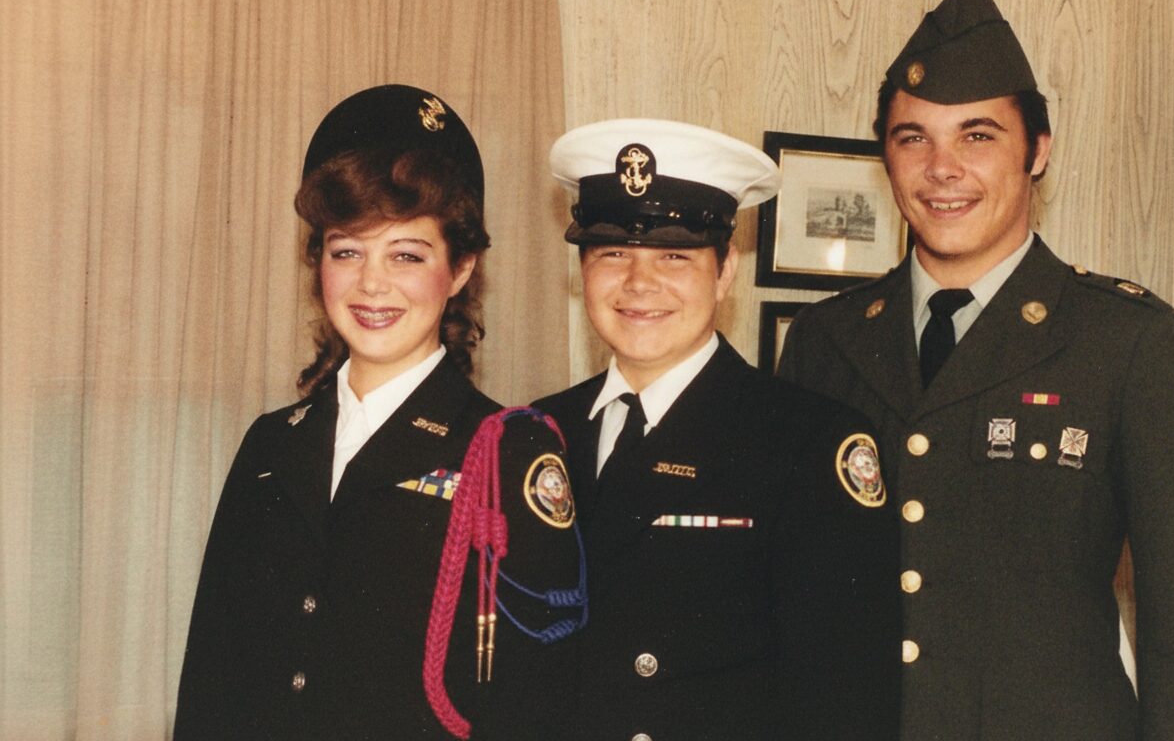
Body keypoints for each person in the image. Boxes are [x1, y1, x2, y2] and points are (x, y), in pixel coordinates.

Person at [778, 0, 1174, 740]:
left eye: (977, 136)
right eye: (912, 139)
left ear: (1038, 150)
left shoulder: (1125, 342)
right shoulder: (825, 341)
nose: (941, 169)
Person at [175, 84, 585, 740]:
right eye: (347, 251)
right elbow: (212, 679)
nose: (372, 284)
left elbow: (537, 703)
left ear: (460, 269)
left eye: (406, 255)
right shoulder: (272, 444)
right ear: (318, 264)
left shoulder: (507, 453)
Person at [532, 118, 902, 739]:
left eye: (675, 254)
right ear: (583, 270)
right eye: (612, 252)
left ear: (726, 269)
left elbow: (844, 702)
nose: (638, 283)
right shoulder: (537, 431)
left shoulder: (808, 443)